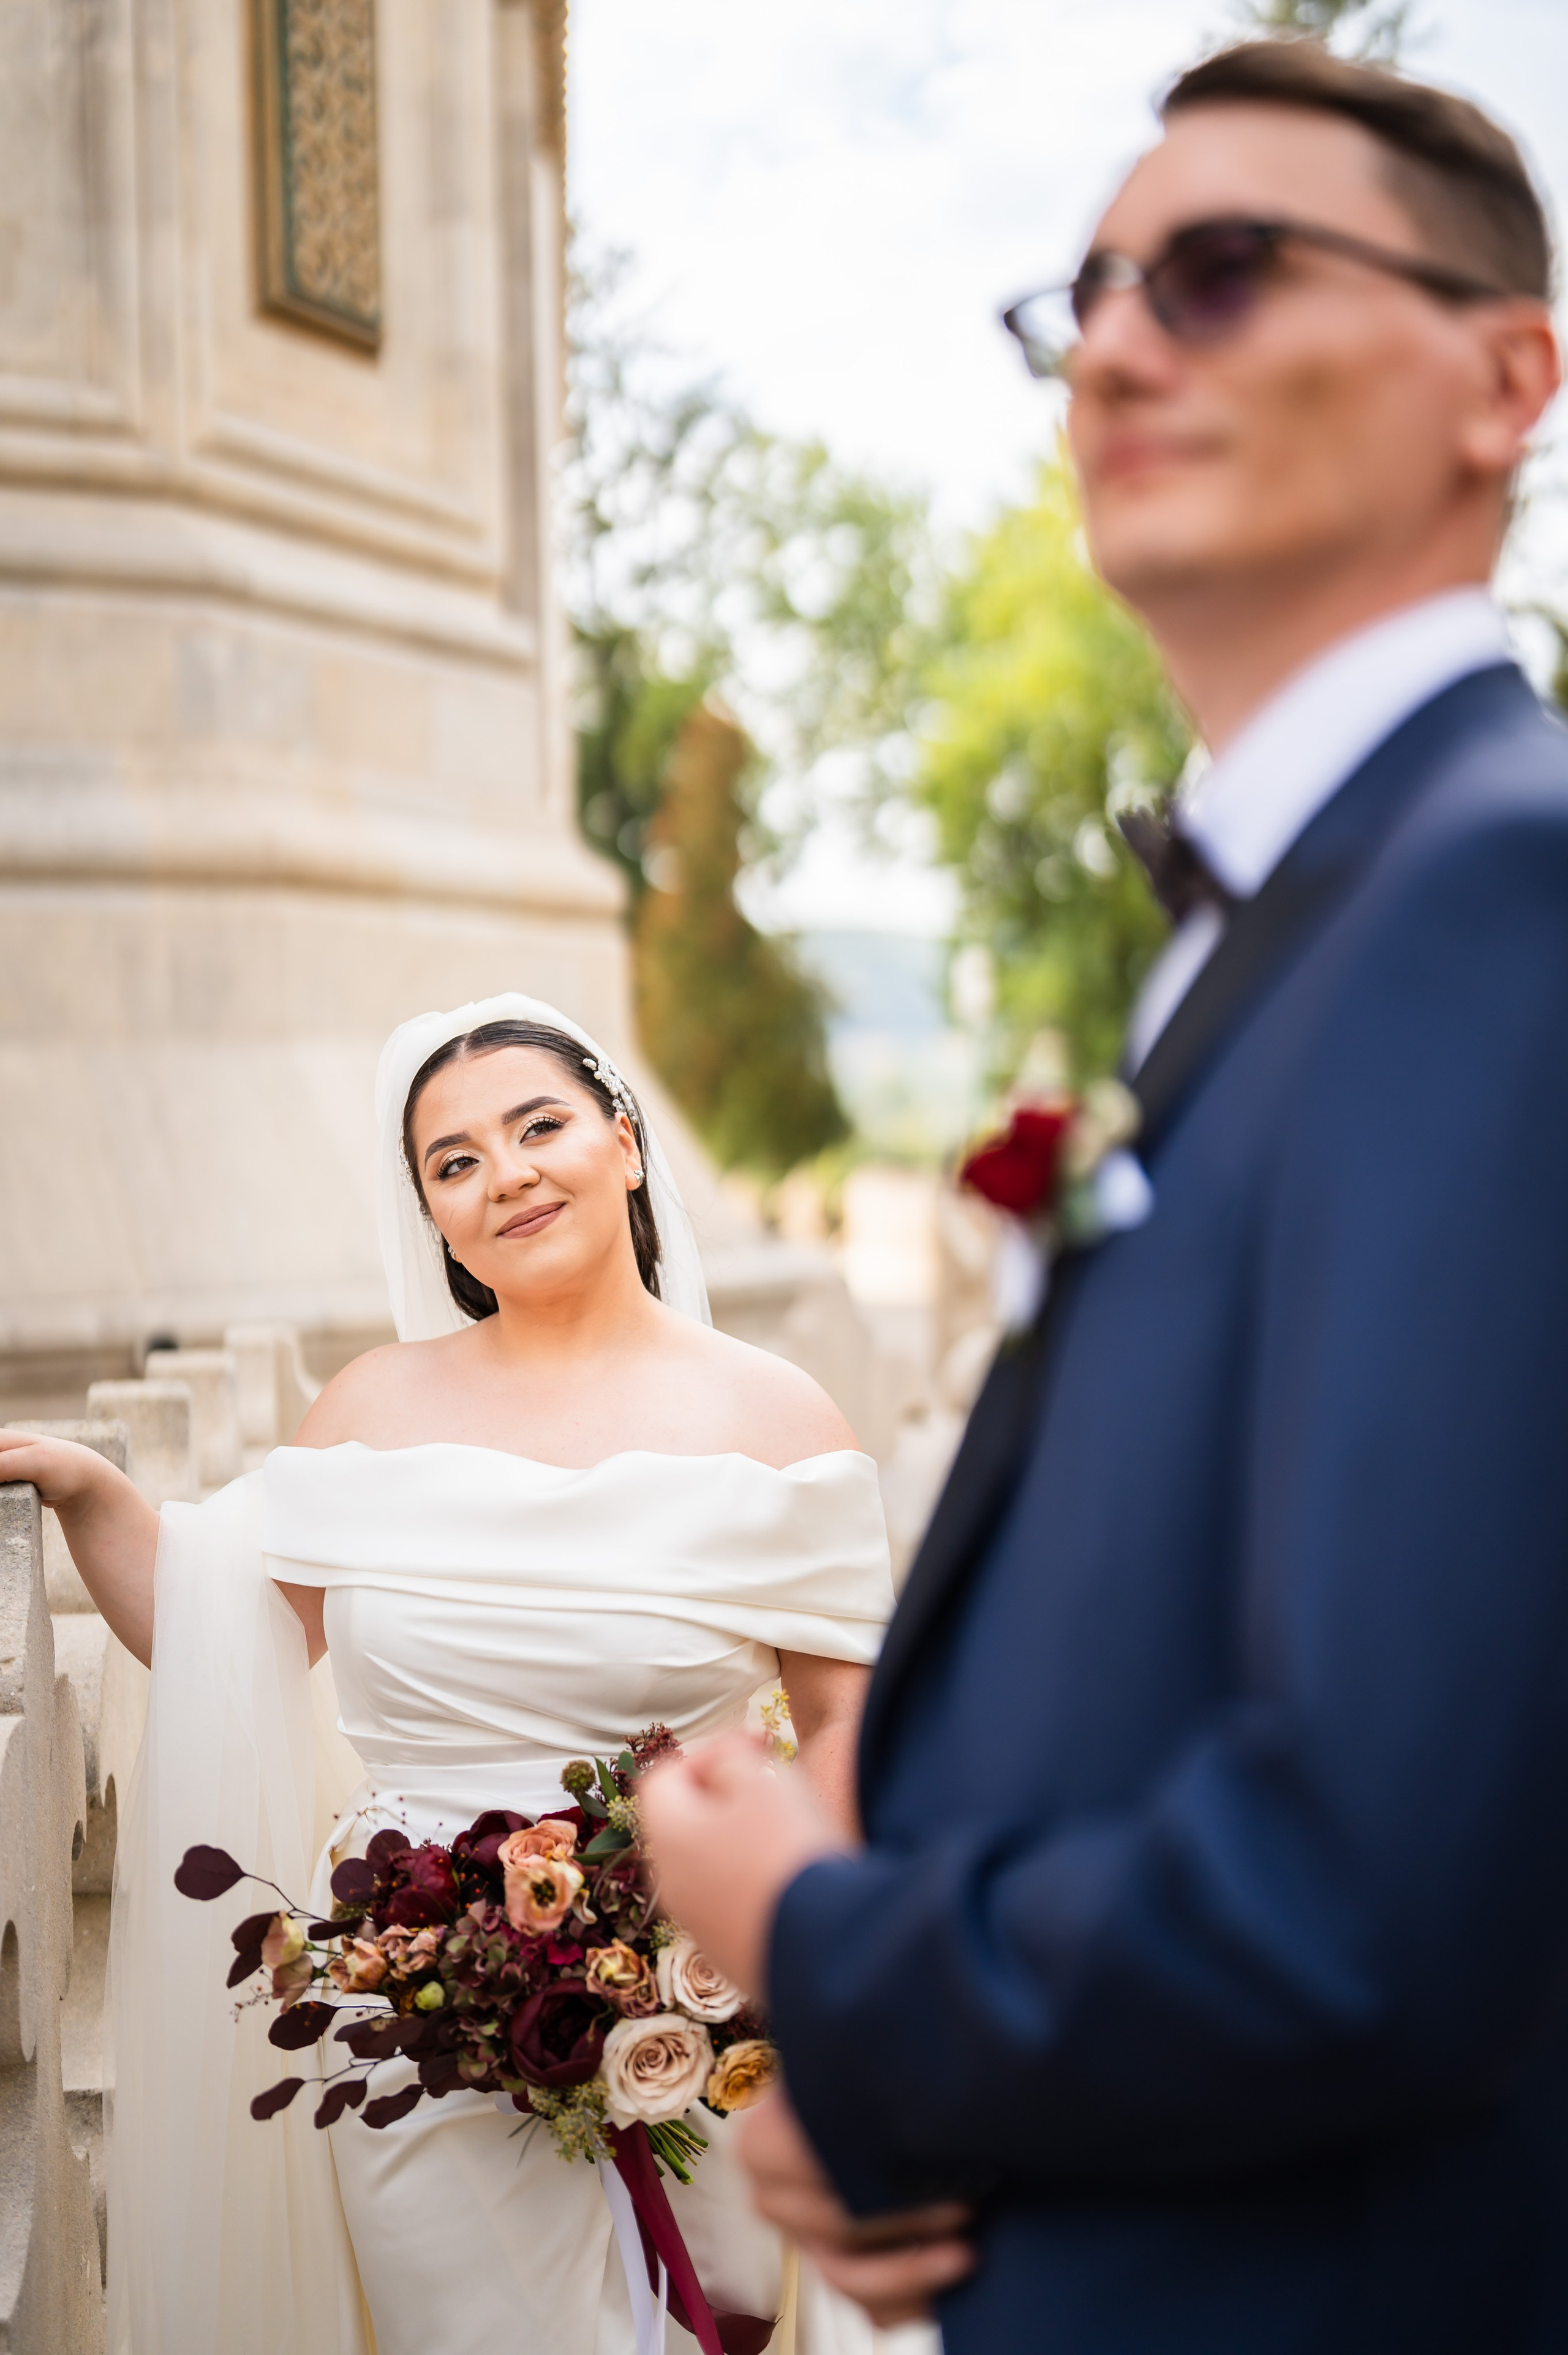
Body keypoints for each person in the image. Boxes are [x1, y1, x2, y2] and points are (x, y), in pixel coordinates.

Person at [639, 40, 1568, 2355]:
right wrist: (891, 2097)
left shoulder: (1500, 903)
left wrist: (821, 1948)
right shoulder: (1297, 925)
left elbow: (1381, 1889)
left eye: (1228, 271)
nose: (1125, 344)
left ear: (1506, 373)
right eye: (1091, 298)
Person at [0, 993, 897, 2355]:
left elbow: (846, 1738)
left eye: (539, 1126)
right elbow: (218, 1635)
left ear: (627, 1141)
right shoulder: (371, 1408)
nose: (506, 1175)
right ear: (428, 1209)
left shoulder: (775, 1417)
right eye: (454, 1160)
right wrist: (83, 1488)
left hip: (707, 1999)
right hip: (412, 2005)